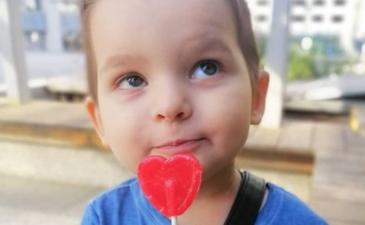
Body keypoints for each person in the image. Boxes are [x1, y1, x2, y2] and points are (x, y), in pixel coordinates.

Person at [80, 0, 327, 224]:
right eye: (132, 80)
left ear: (256, 97)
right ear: (99, 120)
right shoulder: (105, 217)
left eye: (206, 68)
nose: (170, 105)